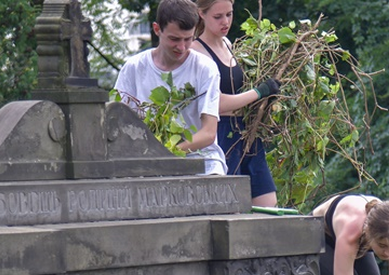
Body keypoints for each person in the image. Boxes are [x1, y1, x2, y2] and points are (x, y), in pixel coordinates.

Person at [114, 0, 226, 175]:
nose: (181, 47)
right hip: (147, 160)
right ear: (157, 29)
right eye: (174, 39)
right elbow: (118, 124)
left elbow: (208, 133)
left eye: (188, 39)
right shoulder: (133, 68)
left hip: (202, 159)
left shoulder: (205, 68)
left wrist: (167, 152)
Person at [191, 0, 281, 206]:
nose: (226, 22)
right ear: (201, 14)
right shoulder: (196, 52)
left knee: (268, 202)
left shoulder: (228, 44)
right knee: (232, 206)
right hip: (222, 134)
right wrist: (259, 93)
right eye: (218, 17)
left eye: (229, 15)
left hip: (247, 132)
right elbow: (215, 103)